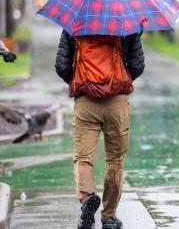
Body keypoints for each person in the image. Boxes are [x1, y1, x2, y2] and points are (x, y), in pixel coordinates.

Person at [55, 30, 145, 229]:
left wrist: (80, 81)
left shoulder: (75, 23)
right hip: (117, 102)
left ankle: (88, 197)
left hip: (85, 101)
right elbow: (138, 65)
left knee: (83, 157)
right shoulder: (125, 24)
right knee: (115, 159)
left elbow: (61, 66)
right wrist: (118, 81)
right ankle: (109, 216)